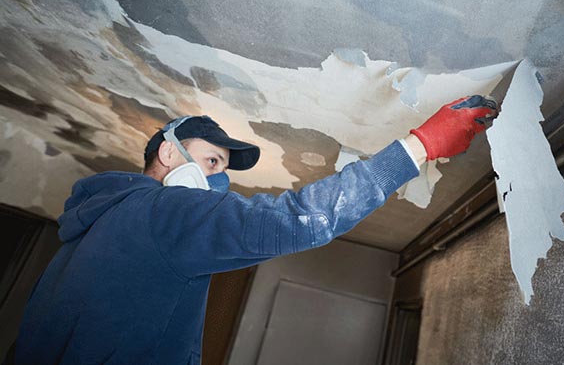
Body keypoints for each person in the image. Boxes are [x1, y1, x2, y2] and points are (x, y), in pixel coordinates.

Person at [15, 95, 496, 364]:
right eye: (211, 161)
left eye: (224, 171)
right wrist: (419, 147)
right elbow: (298, 220)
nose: (218, 182)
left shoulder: (92, 224)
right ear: (168, 153)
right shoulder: (163, 212)